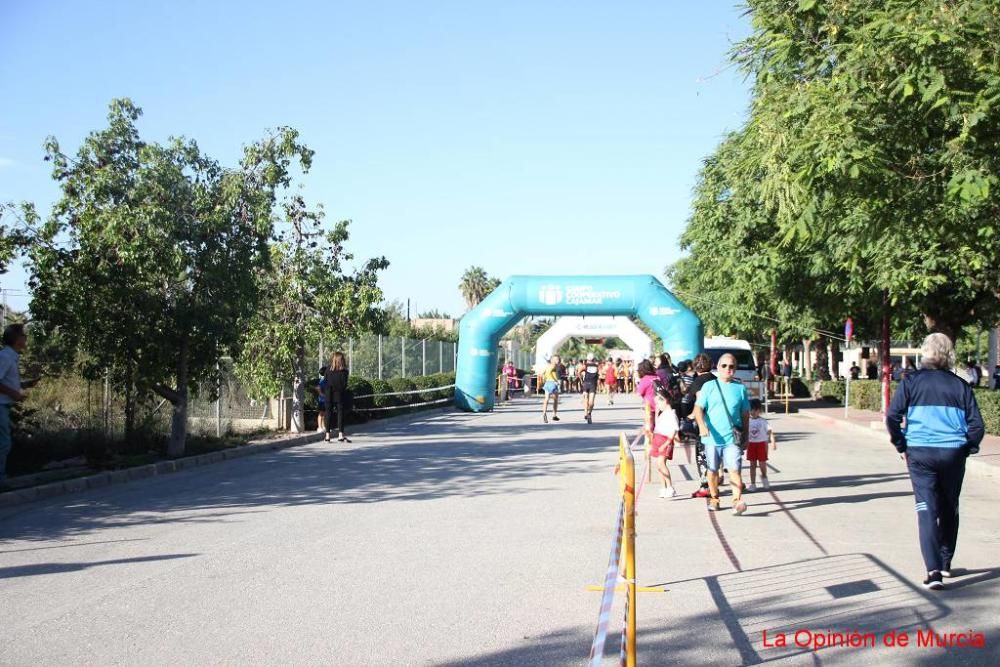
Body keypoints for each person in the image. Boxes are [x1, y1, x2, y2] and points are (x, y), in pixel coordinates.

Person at [886, 333, 984, 590]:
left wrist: (901, 444)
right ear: (949, 355)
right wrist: (968, 447)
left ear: (925, 353)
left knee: (926, 509)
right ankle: (945, 560)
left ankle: (933, 572)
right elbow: (977, 425)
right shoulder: (960, 385)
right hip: (953, 452)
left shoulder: (911, 382)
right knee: (950, 506)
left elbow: (892, 416)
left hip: (920, 453)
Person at [693, 353, 750, 515]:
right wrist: (702, 426)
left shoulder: (740, 388)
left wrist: (746, 436)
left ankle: (736, 501)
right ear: (718, 368)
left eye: (731, 366)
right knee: (712, 469)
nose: (728, 369)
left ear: (735, 369)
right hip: (711, 437)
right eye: (724, 366)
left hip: (733, 437)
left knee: (734, 469)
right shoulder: (709, 386)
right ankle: (715, 498)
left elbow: (745, 414)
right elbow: (698, 409)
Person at [0, 324, 29, 489]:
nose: (26, 338)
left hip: (4, 405)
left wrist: (23, 386)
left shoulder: (11, 357)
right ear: (17, 339)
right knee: (3, 443)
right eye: (23, 335)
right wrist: (14, 394)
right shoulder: (5, 357)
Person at [651, 390, 680, 498]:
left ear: (666, 401)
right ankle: (663, 487)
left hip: (665, 440)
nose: (657, 405)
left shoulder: (671, 414)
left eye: (659, 403)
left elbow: (674, 431)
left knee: (661, 463)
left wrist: (666, 443)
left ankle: (670, 486)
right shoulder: (663, 414)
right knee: (659, 465)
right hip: (658, 438)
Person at [745, 398, 776, 491]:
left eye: (755, 410)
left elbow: (770, 432)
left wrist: (773, 442)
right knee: (752, 464)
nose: (752, 412)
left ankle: (764, 477)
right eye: (751, 410)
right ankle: (753, 484)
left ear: (759, 410)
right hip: (751, 445)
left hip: (761, 444)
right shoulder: (747, 421)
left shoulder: (763, 421)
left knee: (762, 464)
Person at [324, 351, 351, 443]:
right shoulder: (344, 372)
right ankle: (340, 434)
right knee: (340, 414)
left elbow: (326, 381)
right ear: (342, 360)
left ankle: (327, 435)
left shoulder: (328, 369)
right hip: (339, 394)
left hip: (328, 394)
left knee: (328, 414)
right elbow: (344, 385)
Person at [541, 355, 561, 423]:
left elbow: (544, 373)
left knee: (546, 399)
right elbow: (549, 372)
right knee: (555, 399)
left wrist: (544, 379)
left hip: (547, 382)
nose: (558, 360)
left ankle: (544, 413)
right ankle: (554, 415)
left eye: (558, 359)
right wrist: (555, 380)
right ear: (552, 360)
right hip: (552, 383)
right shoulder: (553, 365)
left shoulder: (548, 365)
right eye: (556, 359)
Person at [581, 353, 600, 423]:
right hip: (589, 384)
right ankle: (587, 414)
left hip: (590, 384)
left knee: (589, 401)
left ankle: (588, 413)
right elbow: (579, 371)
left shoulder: (593, 366)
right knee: (588, 400)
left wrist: (581, 380)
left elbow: (578, 372)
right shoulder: (587, 365)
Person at [316, 366, 328, 433]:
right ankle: (319, 427)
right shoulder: (322, 380)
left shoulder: (326, 379)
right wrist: (322, 395)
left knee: (325, 413)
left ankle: (324, 427)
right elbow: (318, 388)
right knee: (321, 413)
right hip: (322, 400)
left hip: (325, 399)